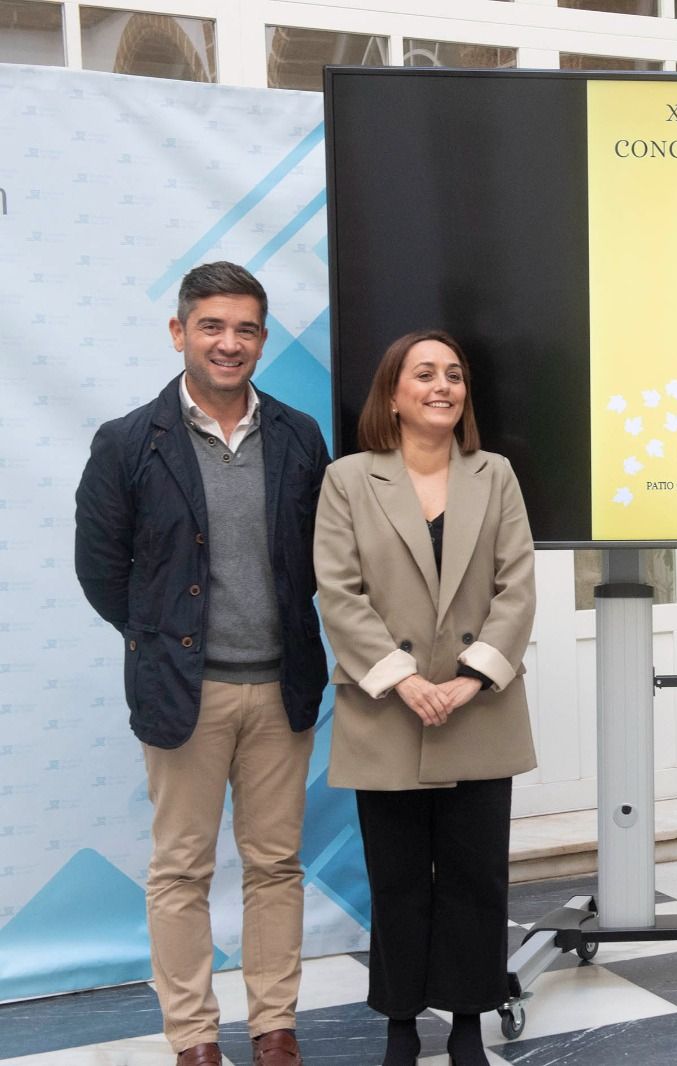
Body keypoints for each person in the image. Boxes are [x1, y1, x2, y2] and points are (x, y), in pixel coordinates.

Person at [74, 262, 329, 1066]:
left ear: (262, 339)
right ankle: (193, 1040)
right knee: (181, 870)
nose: (229, 343)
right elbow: (101, 569)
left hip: (281, 688)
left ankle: (275, 1029)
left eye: (246, 329)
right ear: (179, 332)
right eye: (212, 326)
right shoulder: (127, 441)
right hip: (183, 692)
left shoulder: (299, 435)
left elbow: (318, 556)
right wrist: (162, 638)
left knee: (275, 866)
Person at [314, 329, 536, 1066]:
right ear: (392, 393)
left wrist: (470, 679)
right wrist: (404, 680)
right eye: (425, 374)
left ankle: (470, 1022)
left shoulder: (495, 474)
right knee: (398, 881)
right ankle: (401, 1024)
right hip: (387, 709)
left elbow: (517, 587)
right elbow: (339, 593)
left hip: (480, 709)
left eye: (455, 375)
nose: (443, 386)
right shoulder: (348, 479)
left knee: (477, 879)